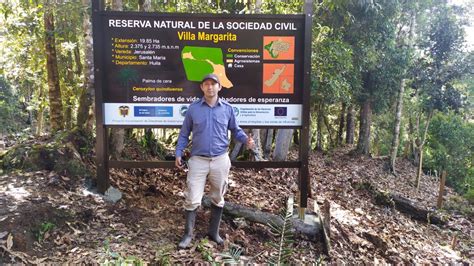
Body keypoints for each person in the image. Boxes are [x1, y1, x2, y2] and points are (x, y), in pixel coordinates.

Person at [175, 73, 255, 249]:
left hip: (220, 159)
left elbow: (236, 130)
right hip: (197, 160)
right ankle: (188, 235)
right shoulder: (193, 109)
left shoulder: (227, 109)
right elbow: (184, 133)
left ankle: (213, 233)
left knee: (218, 197)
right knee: (192, 198)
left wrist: (246, 141)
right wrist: (179, 152)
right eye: (206, 84)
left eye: (213, 84)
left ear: (219, 87)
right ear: (202, 88)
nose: (210, 87)